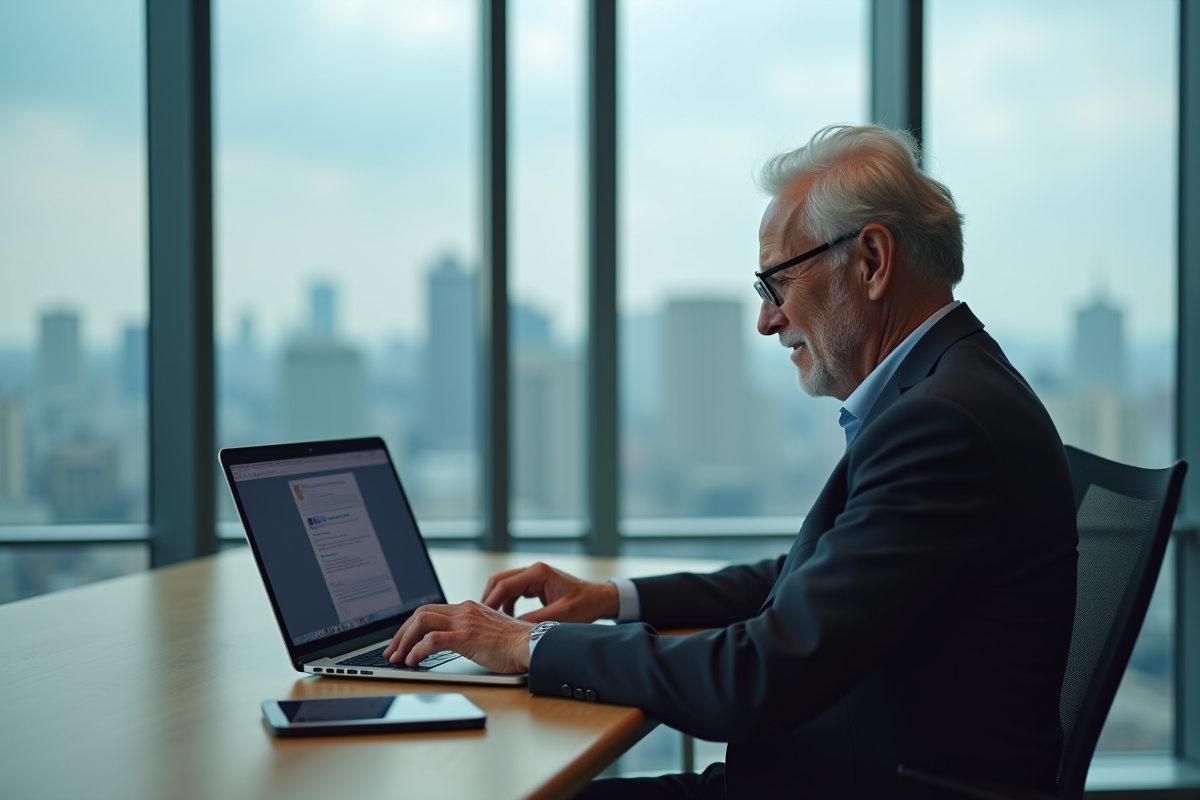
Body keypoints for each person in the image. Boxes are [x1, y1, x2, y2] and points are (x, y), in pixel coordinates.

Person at [383, 124, 1079, 799]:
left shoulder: (939, 423)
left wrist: (531, 646)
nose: (768, 320)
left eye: (777, 282)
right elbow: (810, 579)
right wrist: (613, 600)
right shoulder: (949, 386)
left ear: (871, 261)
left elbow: (760, 677)